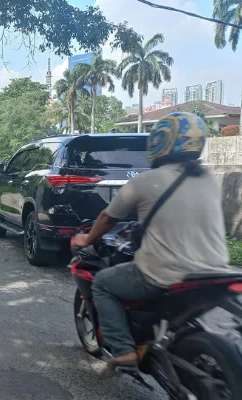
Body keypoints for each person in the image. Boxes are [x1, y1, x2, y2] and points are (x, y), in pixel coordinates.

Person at [71, 112, 231, 377]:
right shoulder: (209, 180)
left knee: (102, 284)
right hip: (215, 272)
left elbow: (107, 219)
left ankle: (123, 350)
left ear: (160, 142)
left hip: (165, 273)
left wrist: (86, 239)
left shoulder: (145, 181)